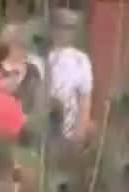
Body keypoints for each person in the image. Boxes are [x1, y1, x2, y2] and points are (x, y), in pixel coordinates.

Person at [47, 9, 93, 142]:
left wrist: (80, 131)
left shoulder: (80, 59)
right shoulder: (41, 55)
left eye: (70, 28)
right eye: (61, 26)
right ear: (52, 28)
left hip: (68, 129)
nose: (65, 32)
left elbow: (85, 97)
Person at [0, 23, 44, 116]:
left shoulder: (33, 71)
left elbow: (38, 106)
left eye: (23, 45)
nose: (22, 49)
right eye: (16, 44)